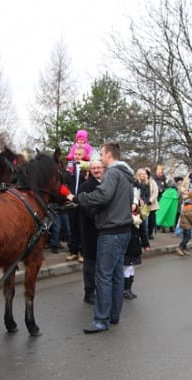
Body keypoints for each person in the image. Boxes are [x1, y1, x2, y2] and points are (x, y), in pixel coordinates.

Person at [67, 142, 133, 334]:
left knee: (103, 276)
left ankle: (101, 320)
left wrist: (78, 198)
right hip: (123, 231)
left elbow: (103, 195)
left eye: (102, 153)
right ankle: (113, 315)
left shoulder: (112, 173)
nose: (100, 157)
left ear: (109, 155)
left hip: (111, 232)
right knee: (116, 275)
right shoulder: (127, 176)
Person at [79, 160, 104, 304]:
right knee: (90, 263)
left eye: (98, 167)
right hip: (89, 229)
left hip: (103, 229)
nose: (96, 170)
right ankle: (89, 292)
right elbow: (84, 206)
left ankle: (98, 289)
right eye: (93, 168)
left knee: (100, 262)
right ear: (89, 170)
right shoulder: (85, 186)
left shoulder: (106, 184)